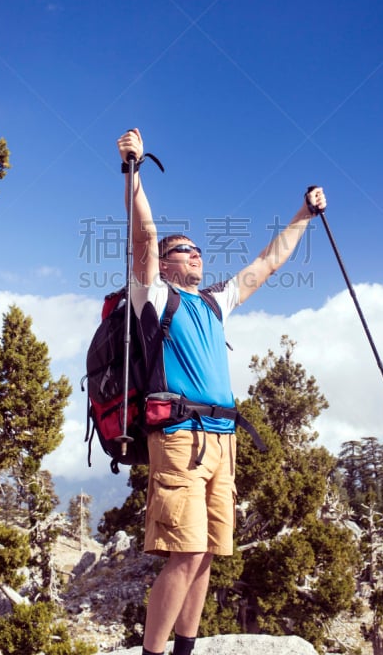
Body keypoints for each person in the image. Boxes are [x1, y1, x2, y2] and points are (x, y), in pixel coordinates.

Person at [116, 128, 326, 655]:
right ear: (165, 263)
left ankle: (185, 648)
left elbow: (267, 263)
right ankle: (154, 653)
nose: (198, 256)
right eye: (187, 251)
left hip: (222, 442)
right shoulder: (153, 294)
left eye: (199, 251)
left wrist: (302, 214)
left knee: (207, 553)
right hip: (181, 441)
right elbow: (142, 234)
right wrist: (133, 171)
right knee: (184, 554)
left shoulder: (214, 303)